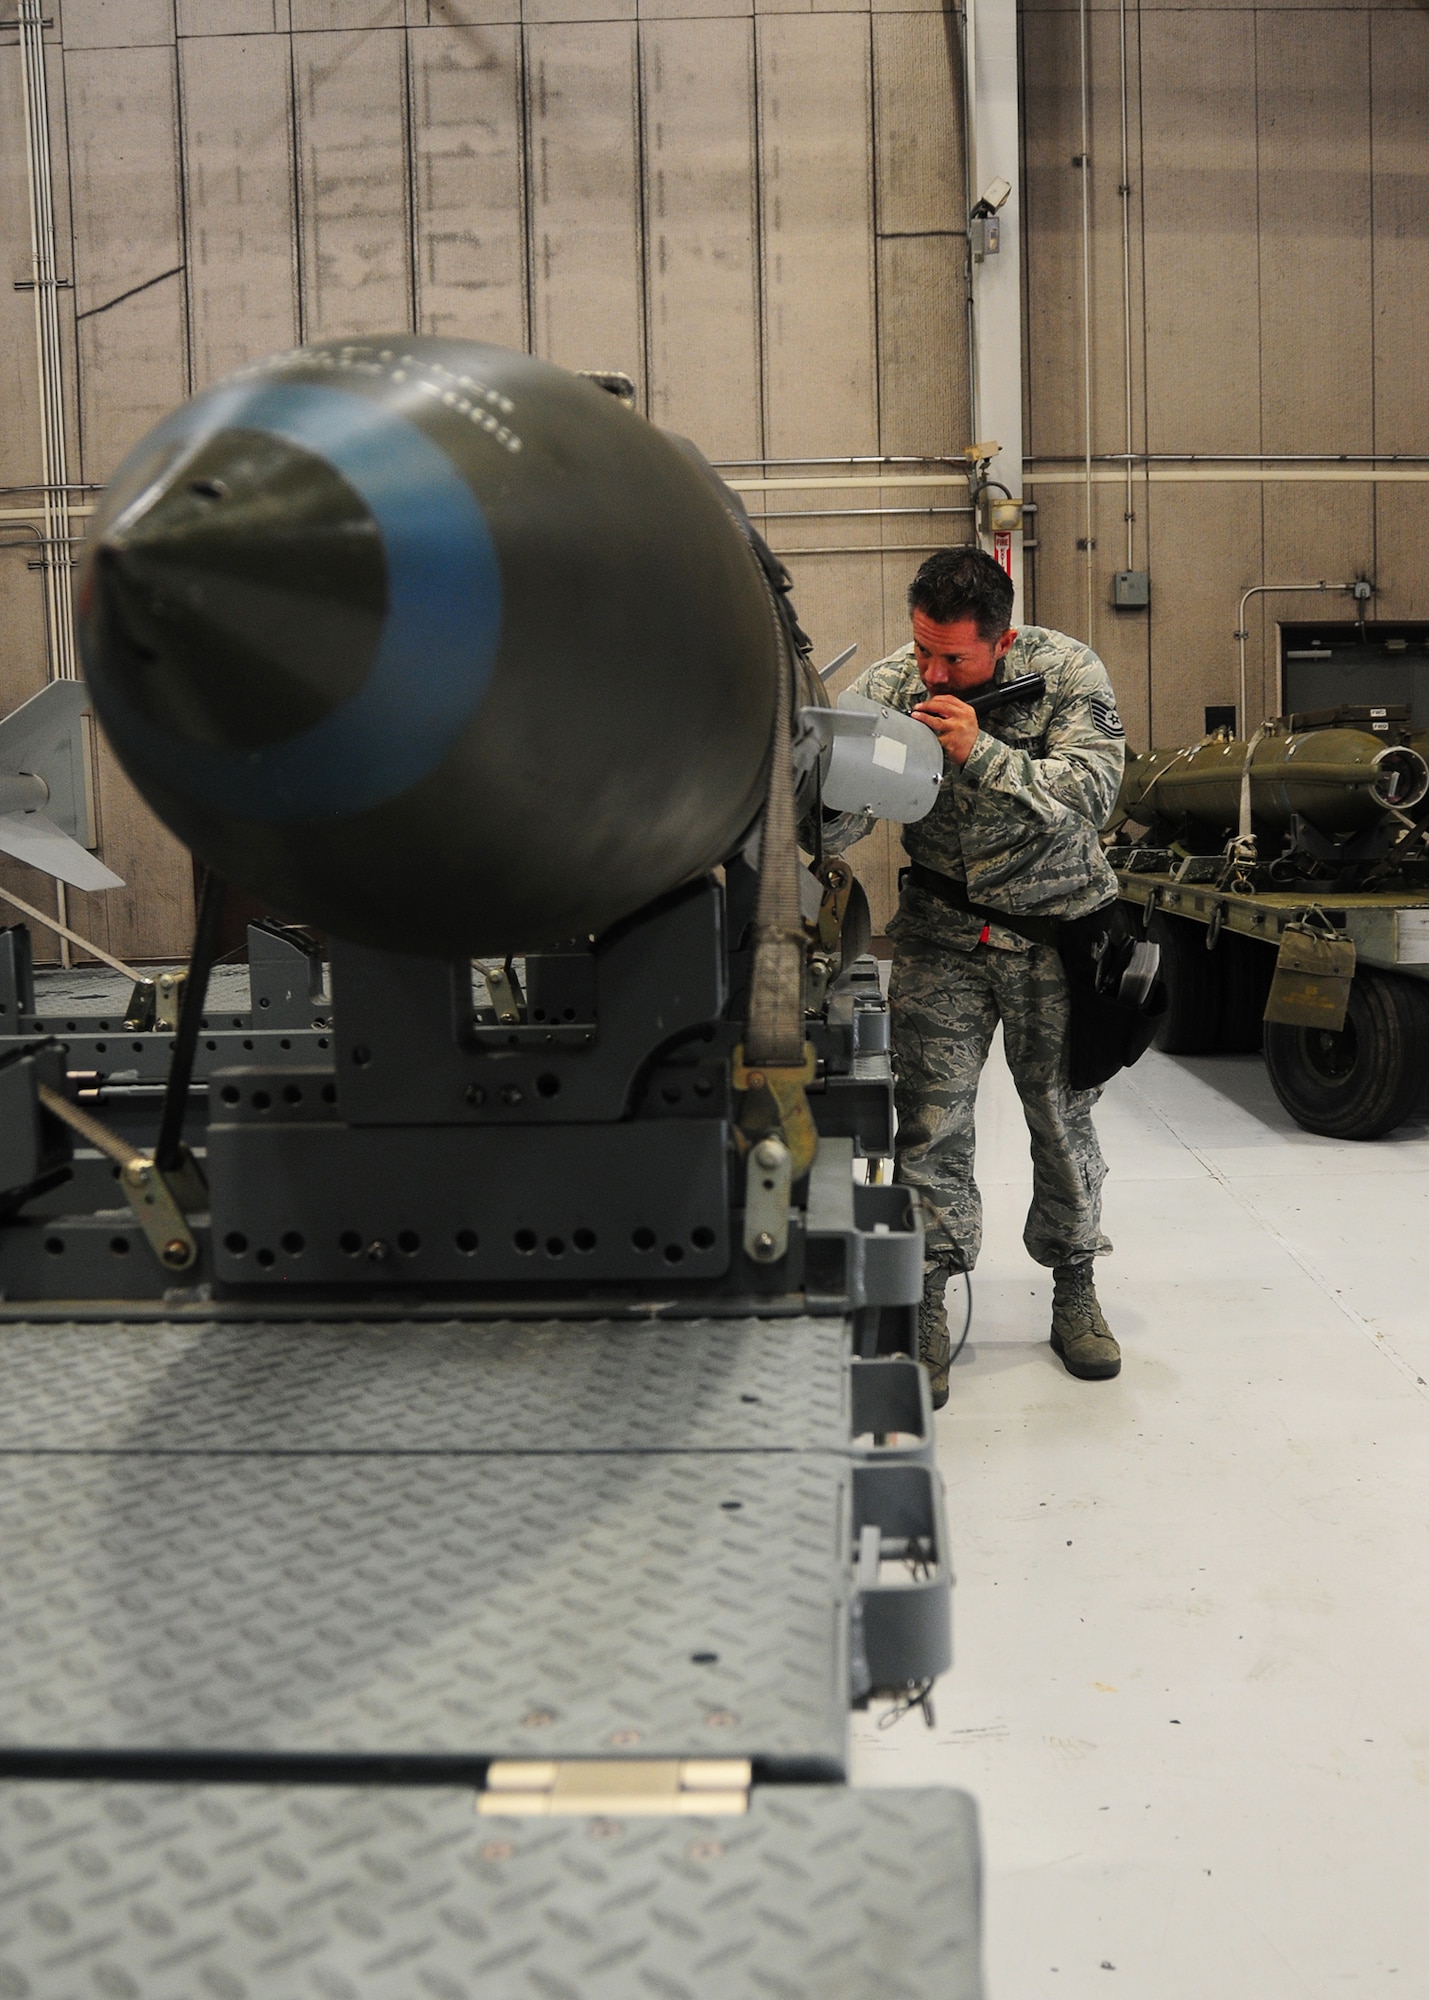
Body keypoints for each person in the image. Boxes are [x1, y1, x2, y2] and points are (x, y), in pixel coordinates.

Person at [821, 546, 1126, 1407]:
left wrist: (979, 752)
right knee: (927, 1125)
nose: (930, 670)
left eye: (952, 656)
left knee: (1060, 1122)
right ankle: (926, 1297)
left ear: (1003, 637)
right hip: (942, 936)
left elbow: (1096, 794)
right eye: (922, 648)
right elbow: (838, 824)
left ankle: (1073, 1283)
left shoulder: (1067, 670)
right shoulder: (889, 688)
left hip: (1055, 936)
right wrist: (833, 789)